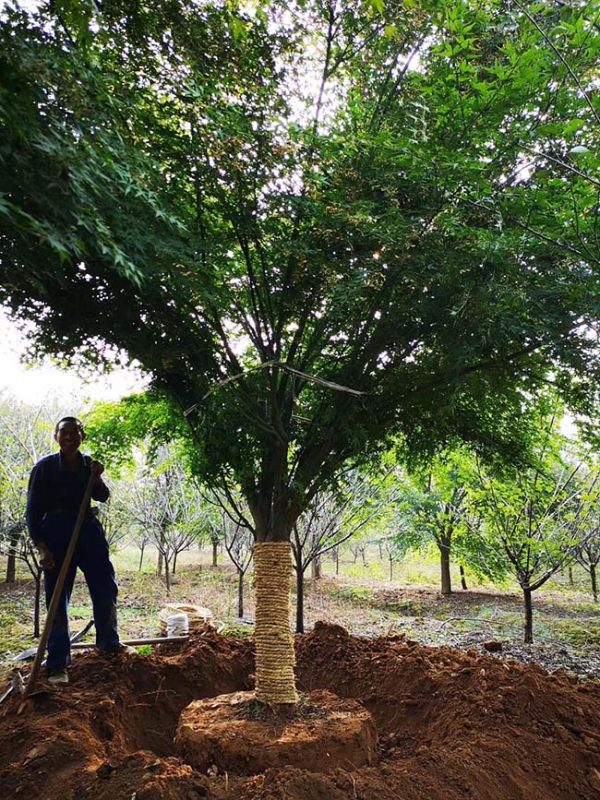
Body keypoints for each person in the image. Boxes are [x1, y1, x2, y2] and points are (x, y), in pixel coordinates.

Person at [26, 416, 123, 685]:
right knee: (57, 598)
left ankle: (109, 645)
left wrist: (98, 478)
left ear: (83, 436)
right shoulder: (44, 468)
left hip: (88, 531)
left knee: (105, 587)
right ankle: (58, 663)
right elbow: (32, 512)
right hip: (56, 532)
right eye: (64, 433)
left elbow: (102, 497)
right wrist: (42, 547)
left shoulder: (88, 466)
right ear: (56, 437)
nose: (69, 437)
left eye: (75, 432)